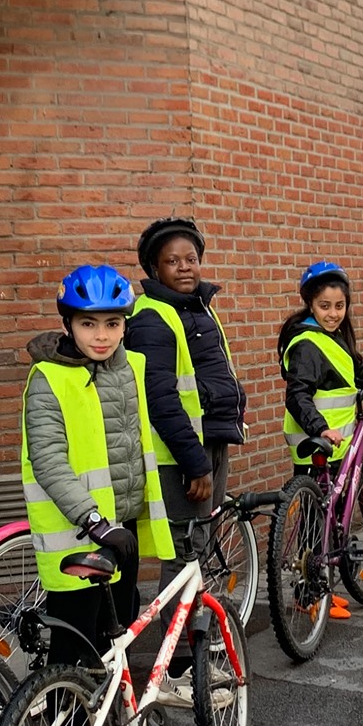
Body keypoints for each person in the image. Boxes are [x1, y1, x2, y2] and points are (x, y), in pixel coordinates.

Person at [21, 263, 174, 682]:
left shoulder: (130, 370)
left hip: (121, 531)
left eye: (112, 323)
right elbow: (49, 463)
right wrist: (94, 521)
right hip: (79, 534)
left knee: (116, 636)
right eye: (88, 323)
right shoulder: (48, 379)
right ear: (68, 324)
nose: (101, 335)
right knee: (74, 653)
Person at [128, 218, 246, 557]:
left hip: (213, 436)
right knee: (185, 550)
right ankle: (177, 614)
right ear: (155, 268)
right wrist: (195, 464)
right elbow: (160, 398)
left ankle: (196, 611)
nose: (184, 268)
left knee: (202, 543)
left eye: (190, 259)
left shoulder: (199, 308)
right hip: (181, 452)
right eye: (172, 261)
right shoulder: (153, 317)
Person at [277, 260, 363, 621]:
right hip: (316, 443)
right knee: (314, 523)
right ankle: (308, 595)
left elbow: (357, 371)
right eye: (325, 306)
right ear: (310, 304)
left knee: (330, 518)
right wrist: (320, 428)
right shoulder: (307, 343)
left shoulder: (334, 338)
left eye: (340, 306)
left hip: (335, 443)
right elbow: (297, 396)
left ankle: (322, 589)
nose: (333, 313)